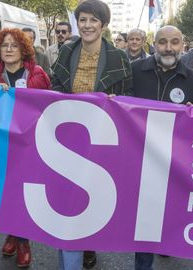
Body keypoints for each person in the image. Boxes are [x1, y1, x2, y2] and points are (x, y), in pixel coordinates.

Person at [50, 0, 132, 268]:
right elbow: (54, 89)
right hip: (68, 134)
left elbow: (128, 98)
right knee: (67, 198)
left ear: (104, 25)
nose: (87, 25)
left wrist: (115, 101)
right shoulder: (66, 51)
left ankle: (87, 242)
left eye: (93, 20)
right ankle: (73, 248)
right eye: (83, 20)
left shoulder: (119, 57)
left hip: (101, 137)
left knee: (93, 196)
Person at [131, 26, 193, 270]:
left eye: (174, 42)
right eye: (163, 42)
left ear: (183, 45)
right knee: (141, 220)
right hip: (137, 158)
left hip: (173, 163)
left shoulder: (192, 80)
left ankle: (162, 245)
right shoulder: (134, 72)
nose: (169, 48)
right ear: (153, 44)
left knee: (165, 216)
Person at [0, 28, 50, 268]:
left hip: (28, 144)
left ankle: (23, 241)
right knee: (5, 192)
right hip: (0, 143)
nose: (8, 49)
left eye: (14, 45)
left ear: (24, 49)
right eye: (4, 45)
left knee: (22, 193)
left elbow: (46, 107)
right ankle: (12, 232)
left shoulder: (37, 74)